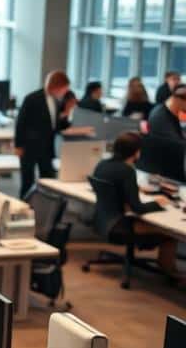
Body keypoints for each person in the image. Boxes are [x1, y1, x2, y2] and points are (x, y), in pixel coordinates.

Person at [91, 132, 180, 282]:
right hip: (120, 226)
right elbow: (137, 208)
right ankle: (169, 273)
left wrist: (135, 190)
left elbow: (114, 189)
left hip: (103, 221)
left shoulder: (102, 164)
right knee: (171, 233)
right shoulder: (127, 171)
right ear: (136, 152)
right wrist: (158, 203)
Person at [15, 71, 86, 198]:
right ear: (57, 86)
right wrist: (18, 145)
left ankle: (45, 205)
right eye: (65, 88)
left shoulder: (56, 101)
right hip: (29, 146)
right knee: (27, 180)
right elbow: (21, 123)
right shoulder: (32, 98)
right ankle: (24, 205)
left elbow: (56, 125)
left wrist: (68, 114)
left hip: (47, 147)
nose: (65, 92)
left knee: (48, 178)